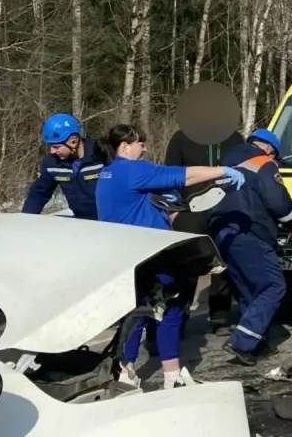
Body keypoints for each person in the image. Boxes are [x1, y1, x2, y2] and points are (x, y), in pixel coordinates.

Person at [95, 123, 245, 389]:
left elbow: (132, 205)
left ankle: (125, 373)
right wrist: (223, 170)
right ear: (125, 146)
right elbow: (184, 176)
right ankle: (171, 375)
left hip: (122, 253)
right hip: (151, 253)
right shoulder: (134, 169)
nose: (144, 148)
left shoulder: (106, 175)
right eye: (140, 143)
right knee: (171, 309)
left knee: (136, 313)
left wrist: (162, 202)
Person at [209, 129, 292, 365]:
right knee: (273, 286)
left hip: (221, 233)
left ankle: (257, 343)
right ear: (269, 149)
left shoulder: (223, 163)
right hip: (250, 231)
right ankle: (242, 342)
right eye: (275, 156)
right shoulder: (262, 163)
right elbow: (278, 202)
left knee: (250, 289)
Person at [164, 125, 247, 332]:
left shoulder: (235, 138)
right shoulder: (181, 138)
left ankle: (219, 314)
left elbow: (243, 170)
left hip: (224, 208)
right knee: (188, 263)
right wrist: (173, 204)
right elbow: (170, 172)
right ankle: (179, 317)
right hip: (190, 209)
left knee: (222, 261)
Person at [22, 113, 105, 220]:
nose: (52, 151)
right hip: (83, 222)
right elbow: (39, 193)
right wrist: (26, 220)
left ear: (73, 142)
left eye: (56, 147)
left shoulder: (101, 155)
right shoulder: (52, 163)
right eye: (51, 146)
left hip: (111, 222)